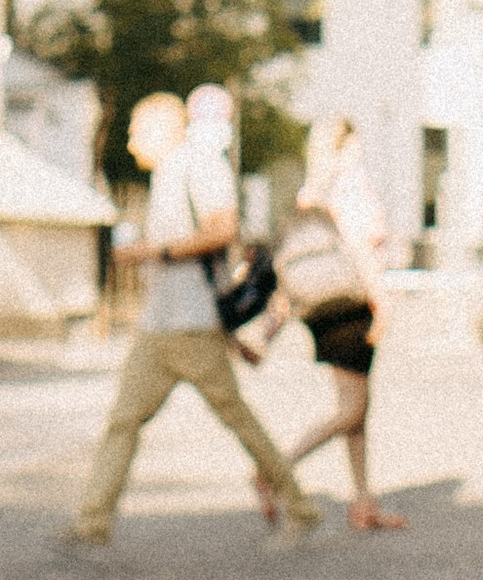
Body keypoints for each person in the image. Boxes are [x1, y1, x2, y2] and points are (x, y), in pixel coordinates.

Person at [61, 86, 321, 555]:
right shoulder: (169, 174)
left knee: (236, 418)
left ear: (165, 127)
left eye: (136, 131)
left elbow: (223, 229)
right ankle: (92, 521)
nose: (130, 142)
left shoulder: (198, 165)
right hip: (160, 325)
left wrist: (150, 252)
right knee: (125, 421)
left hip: (191, 323)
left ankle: (299, 505)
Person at [268, 115, 405, 533]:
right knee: (352, 410)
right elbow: (361, 248)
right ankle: (276, 469)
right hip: (352, 301)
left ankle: (363, 502)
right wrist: (382, 301)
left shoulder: (313, 190)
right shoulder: (351, 184)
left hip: (320, 305)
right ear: (347, 144)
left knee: (357, 410)